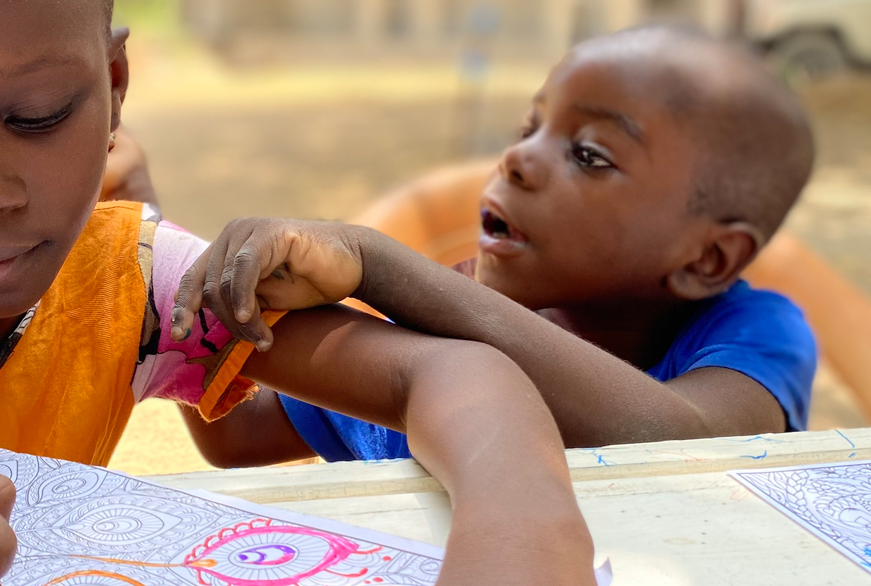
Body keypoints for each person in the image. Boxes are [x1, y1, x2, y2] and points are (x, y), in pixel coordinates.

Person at [0, 0, 595, 583]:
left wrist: (520, 524)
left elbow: (449, 372)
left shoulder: (135, 285)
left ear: (114, 87)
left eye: (35, 114)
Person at [171, 26, 819, 465]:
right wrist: (163, 253)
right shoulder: (432, 324)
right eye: (529, 128)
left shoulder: (754, 333)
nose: (516, 159)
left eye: (589, 154)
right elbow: (236, 435)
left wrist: (376, 261)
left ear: (707, 259)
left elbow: (678, 441)